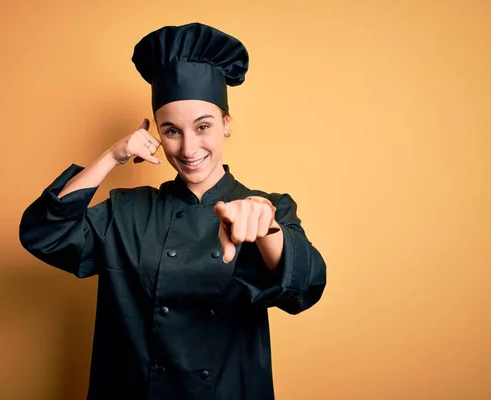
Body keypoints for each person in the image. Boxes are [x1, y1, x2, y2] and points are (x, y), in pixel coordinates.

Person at [19, 22, 326, 400]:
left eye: (203, 126)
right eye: (171, 131)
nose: (188, 147)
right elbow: (46, 235)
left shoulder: (265, 208)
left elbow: (306, 287)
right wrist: (112, 156)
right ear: (157, 134)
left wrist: (266, 229)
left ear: (226, 124)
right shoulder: (128, 211)